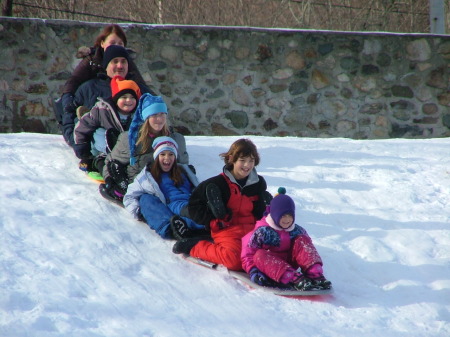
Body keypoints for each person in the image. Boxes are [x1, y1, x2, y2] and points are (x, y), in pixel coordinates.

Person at [172, 138, 271, 271]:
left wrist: (268, 211)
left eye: (251, 160)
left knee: (268, 255)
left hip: (253, 230)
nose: (247, 165)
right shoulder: (216, 184)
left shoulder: (258, 184)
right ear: (231, 159)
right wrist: (212, 221)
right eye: (242, 160)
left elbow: (260, 212)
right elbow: (194, 206)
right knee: (235, 260)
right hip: (227, 229)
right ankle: (194, 246)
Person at [99, 93, 190, 204]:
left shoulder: (175, 140)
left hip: (166, 183)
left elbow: (184, 165)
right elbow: (111, 162)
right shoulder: (131, 140)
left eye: (162, 114)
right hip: (140, 183)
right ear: (146, 117)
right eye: (154, 115)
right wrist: (111, 181)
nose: (159, 119)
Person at [57, 24, 149, 132]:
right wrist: (68, 106)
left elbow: (142, 86)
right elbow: (72, 83)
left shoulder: (125, 62)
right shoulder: (91, 61)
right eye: (112, 43)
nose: (120, 65)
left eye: (120, 44)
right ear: (102, 44)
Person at [241, 187, 332, 291]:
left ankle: (315, 274)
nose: (287, 220)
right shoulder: (262, 231)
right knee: (259, 255)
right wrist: (253, 271)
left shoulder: (297, 230)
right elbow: (247, 254)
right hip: (270, 265)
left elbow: (306, 250)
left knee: (303, 240)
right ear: (275, 214)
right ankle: (292, 278)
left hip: (289, 263)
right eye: (283, 216)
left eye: (290, 216)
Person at [61, 45, 151, 148]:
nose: (120, 66)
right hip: (97, 152)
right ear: (106, 65)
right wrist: (78, 144)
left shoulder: (140, 90)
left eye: (123, 61)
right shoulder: (89, 88)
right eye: (115, 61)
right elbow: (70, 117)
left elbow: (158, 117)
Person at [124, 137, 208, 239]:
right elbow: (129, 197)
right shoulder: (146, 176)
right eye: (162, 154)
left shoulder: (183, 171)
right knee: (145, 199)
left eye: (171, 154)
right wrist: (139, 212)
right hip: (169, 209)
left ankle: (207, 225)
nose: (167, 158)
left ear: (175, 157)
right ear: (156, 156)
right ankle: (173, 230)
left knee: (200, 208)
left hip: (189, 203)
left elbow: (196, 188)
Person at [72, 76, 142, 174]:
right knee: (100, 132)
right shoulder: (103, 111)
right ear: (116, 98)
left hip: (126, 154)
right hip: (102, 150)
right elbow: (83, 126)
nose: (128, 100)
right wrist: (83, 150)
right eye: (124, 97)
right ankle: (96, 163)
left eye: (132, 97)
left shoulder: (139, 115)